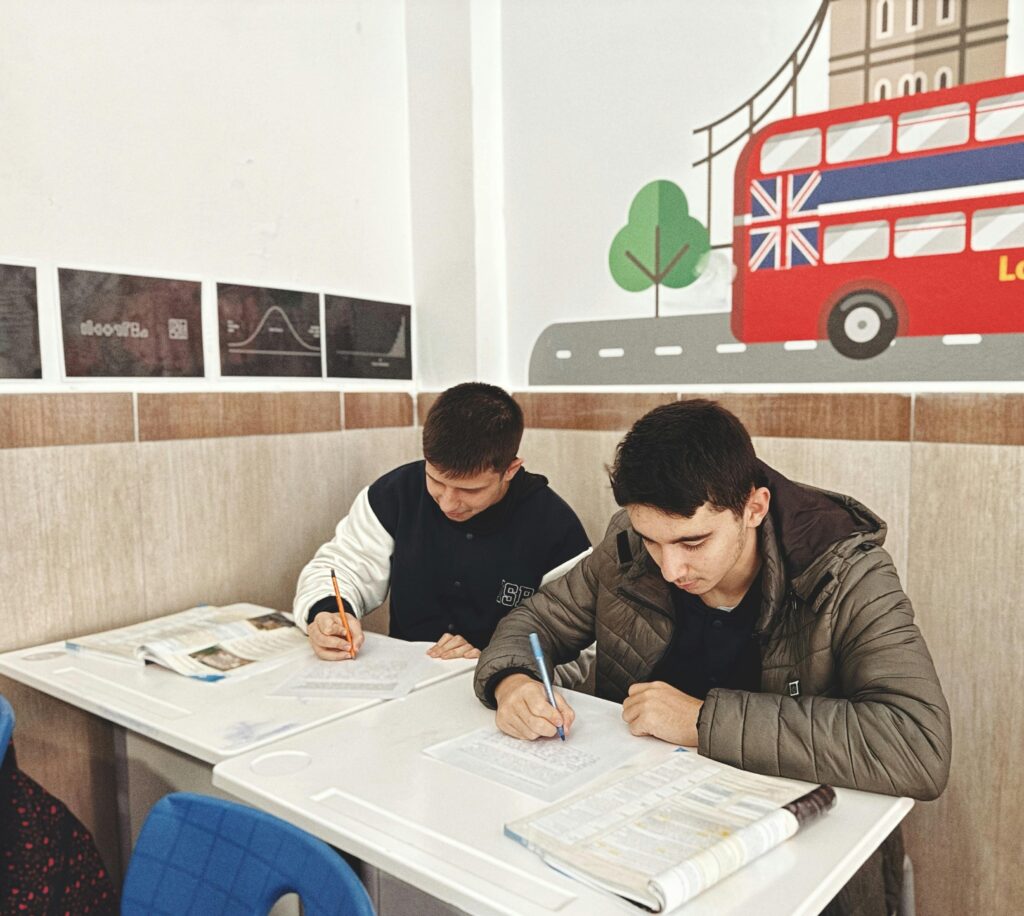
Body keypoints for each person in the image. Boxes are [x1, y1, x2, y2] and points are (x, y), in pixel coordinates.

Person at [474, 398, 951, 916]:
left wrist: (703, 720)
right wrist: (513, 683)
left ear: (755, 508)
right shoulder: (629, 545)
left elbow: (917, 744)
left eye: (693, 542)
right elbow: (531, 623)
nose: (671, 567)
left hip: (795, 863)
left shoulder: (843, 570)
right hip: (636, 843)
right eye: (654, 542)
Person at [293, 382, 590, 662]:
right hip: (405, 680)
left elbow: (579, 645)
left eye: (469, 490)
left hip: (502, 701)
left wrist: (495, 662)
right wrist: (328, 612)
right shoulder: (394, 494)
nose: (448, 503)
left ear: (510, 470)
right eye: (435, 481)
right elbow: (344, 566)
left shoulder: (555, 528)